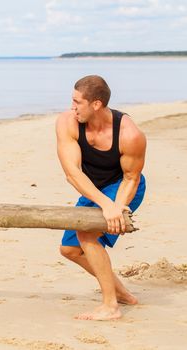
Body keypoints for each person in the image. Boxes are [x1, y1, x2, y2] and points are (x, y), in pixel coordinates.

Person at [55, 75, 146, 321]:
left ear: (96, 104)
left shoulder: (129, 133)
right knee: (70, 249)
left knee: (86, 235)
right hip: (92, 188)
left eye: (77, 102)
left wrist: (117, 207)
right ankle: (123, 294)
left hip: (123, 187)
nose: (71, 107)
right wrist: (105, 205)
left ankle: (110, 306)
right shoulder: (67, 122)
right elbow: (72, 174)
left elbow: (131, 177)